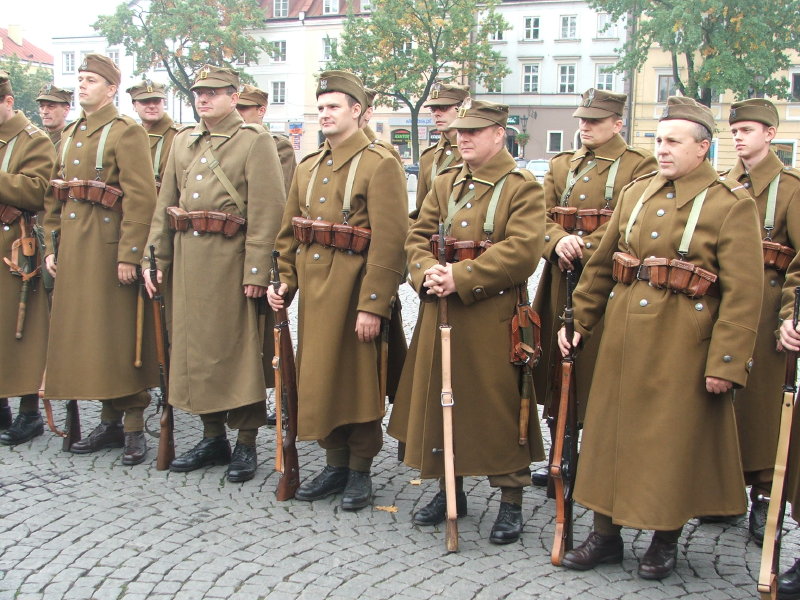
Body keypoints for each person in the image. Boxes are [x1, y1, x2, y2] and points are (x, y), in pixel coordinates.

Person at [556, 97, 763, 579]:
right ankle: (604, 535)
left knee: (670, 441)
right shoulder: (636, 193)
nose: (662, 150)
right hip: (623, 335)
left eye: (673, 142)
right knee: (608, 435)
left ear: (703, 147)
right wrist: (578, 322)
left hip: (682, 344)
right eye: (658, 140)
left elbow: (744, 294)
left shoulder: (730, 204)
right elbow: (603, 265)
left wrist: (726, 362)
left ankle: (664, 539)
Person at [388, 99, 546, 544]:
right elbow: (417, 235)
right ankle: (448, 488)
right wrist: (426, 272)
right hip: (442, 311)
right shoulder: (446, 182)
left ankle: (511, 500)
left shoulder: (522, 188)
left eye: (474, 131)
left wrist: (462, 276)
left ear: (499, 134)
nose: (463, 138)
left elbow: (523, 251)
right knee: (443, 399)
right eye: (460, 131)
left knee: (501, 406)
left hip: (494, 316)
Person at [267, 70, 407, 510]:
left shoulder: (380, 162)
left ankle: (360, 470)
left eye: (334, 106)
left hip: (354, 293)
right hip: (315, 297)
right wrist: (284, 280)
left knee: (359, 382)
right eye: (321, 107)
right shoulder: (308, 165)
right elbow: (290, 232)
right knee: (320, 378)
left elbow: (391, 241)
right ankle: (334, 463)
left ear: (357, 111)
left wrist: (373, 305)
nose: (325, 114)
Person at [144, 65, 285, 483]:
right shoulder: (183, 140)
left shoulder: (254, 140)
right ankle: (212, 437)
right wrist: (156, 260)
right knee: (194, 350)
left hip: (230, 262)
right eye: (198, 93)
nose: (203, 99)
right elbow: (165, 205)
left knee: (238, 352)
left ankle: (245, 441)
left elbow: (268, 210)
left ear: (233, 96)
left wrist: (257, 270)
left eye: (214, 92)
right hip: (188, 262)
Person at [530, 88, 656, 486]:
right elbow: (539, 215)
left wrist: (582, 246)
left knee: (598, 369)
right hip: (559, 279)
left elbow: (630, 222)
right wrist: (556, 241)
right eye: (582, 120)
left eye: (595, 121)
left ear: (617, 124)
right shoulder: (561, 164)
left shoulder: (639, 164)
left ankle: (598, 459)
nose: (585, 127)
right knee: (557, 365)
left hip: (605, 284)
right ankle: (561, 454)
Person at [41, 53, 159, 466]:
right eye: (80, 78)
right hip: (76, 251)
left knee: (119, 337)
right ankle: (109, 423)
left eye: (91, 80)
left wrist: (130, 254)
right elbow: (56, 195)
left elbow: (142, 198)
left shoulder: (126, 131)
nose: (82, 85)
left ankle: (133, 426)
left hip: (109, 251)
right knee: (91, 337)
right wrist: (52, 245)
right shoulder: (72, 132)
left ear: (111, 89)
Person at [720, 99, 800, 544]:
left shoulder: (791, 188)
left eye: (747, 130)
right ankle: (724, 491)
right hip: (727, 307)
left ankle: (766, 497)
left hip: (770, 310)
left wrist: (791, 316)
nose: (738, 138)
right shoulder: (723, 185)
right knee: (723, 400)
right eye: (734, 131)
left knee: (764, 408)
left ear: (770, 134)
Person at [0, 71, 55, 444]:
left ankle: (29, 412)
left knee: (22, 330)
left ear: (8, 101)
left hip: (15, 246)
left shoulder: (33, 140)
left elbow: (39, 190)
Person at [411, 82, 469, 219]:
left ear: (462, 108)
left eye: (443, 108)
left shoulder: (476, 152)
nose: (437, 114)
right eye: (433, 109)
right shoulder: (428, 157)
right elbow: (421, 211)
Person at [235, 84, 297, 194]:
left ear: (261, 111)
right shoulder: (229, 142)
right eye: (234, 108)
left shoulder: (278, 145)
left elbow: (281, 191)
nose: (237, 112)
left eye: (243, 108)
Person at [126, 80, 182, 189]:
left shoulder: (179, 135)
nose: (152, 106)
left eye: (156, 101)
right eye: (145, 101)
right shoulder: (130, 136)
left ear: (163, 103)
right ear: (134, 105)